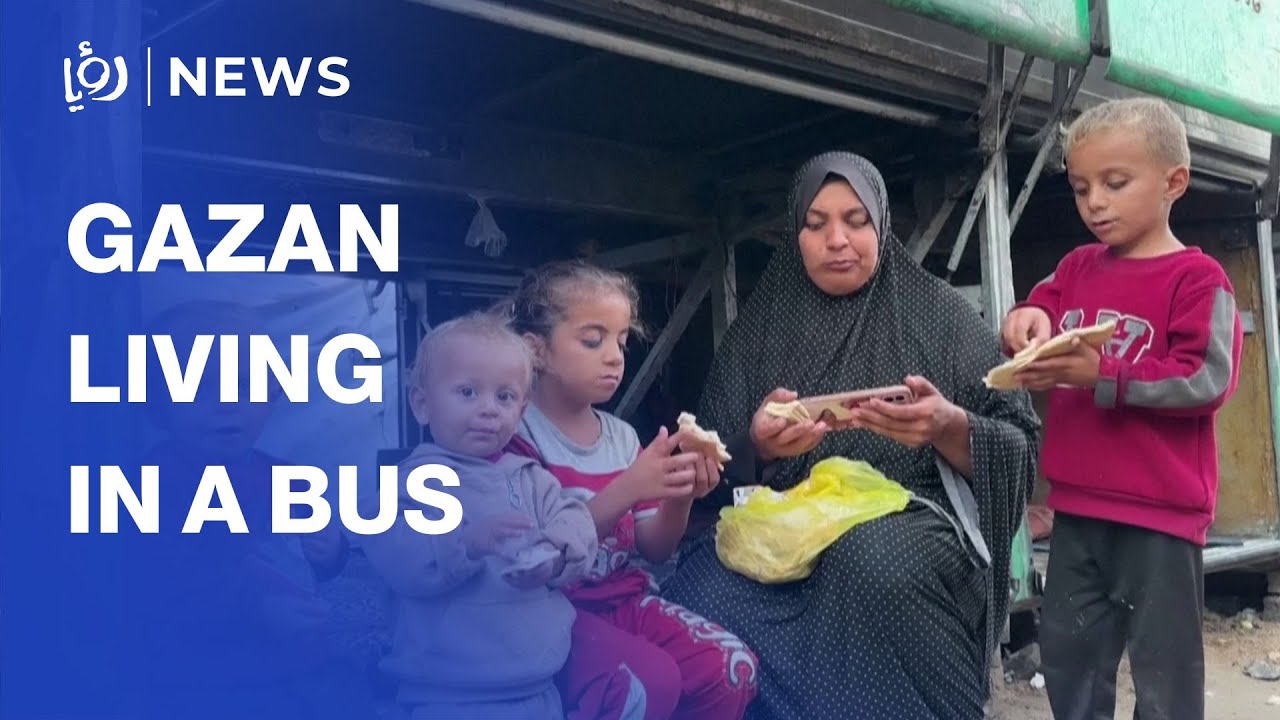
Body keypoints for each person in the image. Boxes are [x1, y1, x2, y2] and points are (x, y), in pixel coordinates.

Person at [659, 151, 1042, 720]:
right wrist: (759, 448)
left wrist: (947, 426)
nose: (836, 240)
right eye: (816, 224)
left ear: (881, 224)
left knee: (870, 559)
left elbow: (1019, 445)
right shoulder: (760, 328)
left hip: (914, 515)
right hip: (786, 521)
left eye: (855, 221)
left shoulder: (940, 316)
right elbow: (705, 464)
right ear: (795, 234)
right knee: (701, 586)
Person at [1001, 97, 1243, 720]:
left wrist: (1105, 376)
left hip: (1161, 516)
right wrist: (1024, 320)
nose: (1095, 204)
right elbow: (1042, 307)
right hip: (1078, 509)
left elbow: (1206, 379)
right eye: (1082, 188)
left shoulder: (1199, 279)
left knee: (1165, 674)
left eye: (1115, 183)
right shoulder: (1077, 267)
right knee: (1069, 660)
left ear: (1173, 183)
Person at [503, 260, 759, 720]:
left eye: (621, 342)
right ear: (536, 350)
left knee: (731, 668)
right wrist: (630, 486)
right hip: (548, 611)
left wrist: (680, 494)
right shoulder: (518, 435)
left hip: (622, 598)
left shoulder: (621, 438)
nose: (615, 357)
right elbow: (535, 556)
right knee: (648, 682)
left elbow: (655, 548)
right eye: (592, 340)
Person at [359, 312, 599, 719]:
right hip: (446, 694)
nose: (489, 409)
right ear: (422, 404)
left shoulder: (531, 478)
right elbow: (399, 558)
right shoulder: (411, 484)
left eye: (505, 397)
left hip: (538, 687)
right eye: (468, 392)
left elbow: (576, 520)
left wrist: (556, 553)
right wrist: (466, 544)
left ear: (522, 409)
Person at [139, 300, 371, 720]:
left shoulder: (288, 478)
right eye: (200, 388)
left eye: (245, 385)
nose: (227, 404)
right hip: (208, 675)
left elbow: (310, 565)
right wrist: (254, 607)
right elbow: (162, 577)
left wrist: (331, 550)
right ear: (157, 402)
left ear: (274, 393)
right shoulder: (158, 480)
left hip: (299, 662)